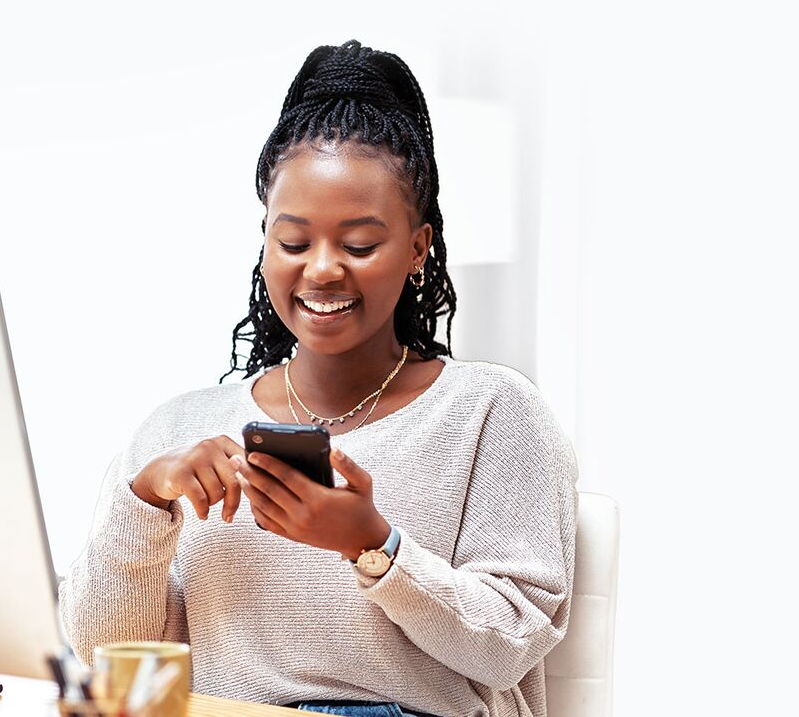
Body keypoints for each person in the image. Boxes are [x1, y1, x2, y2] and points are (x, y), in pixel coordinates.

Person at [58, 41, 577, 717]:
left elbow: (509, 643)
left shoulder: (491, 412)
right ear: (266, 239)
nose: (323, 269)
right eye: (294, 242)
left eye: (360, 245)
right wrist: (146, 502)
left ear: (419, 248)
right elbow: (103, 652)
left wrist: (374, 545)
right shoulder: (178, 428)